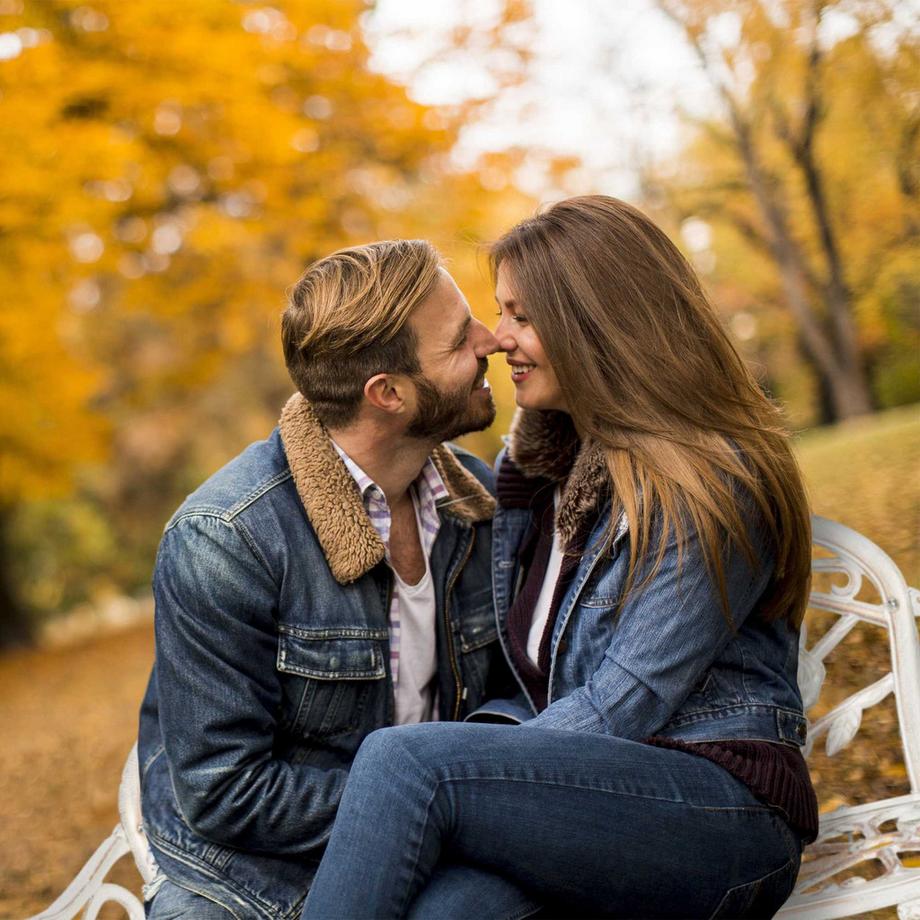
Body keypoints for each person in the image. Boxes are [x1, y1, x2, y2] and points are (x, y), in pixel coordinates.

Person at [302, 196, 819, 920]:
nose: (497, 338)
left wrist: (470, 775)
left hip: (720, 814)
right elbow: (535, 683)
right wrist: (485, 768)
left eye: (522, 315)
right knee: (447, 911)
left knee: (403, 761)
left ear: (595, 322)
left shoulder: (708, 481)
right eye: (500, 312)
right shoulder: (545, 471)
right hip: (585, 808)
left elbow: (623, 703)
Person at [138, 239, 508, 919]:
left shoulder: (478, 507)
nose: (492, 340)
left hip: (439, 842)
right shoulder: (226, 539)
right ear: (388, 394)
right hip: (258, 869)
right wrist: (432, 802)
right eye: (461, 339)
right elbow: (224, 791)